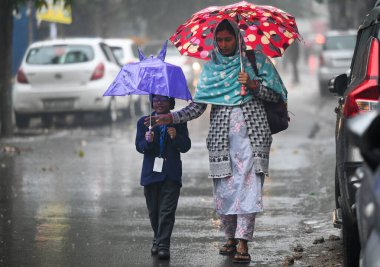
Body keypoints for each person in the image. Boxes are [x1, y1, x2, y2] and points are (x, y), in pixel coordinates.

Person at [146, 19, 287, 264]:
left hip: (253, 138)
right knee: (225, 190)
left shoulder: (257, 61)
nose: (223, 44)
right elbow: (198, 106)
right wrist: (173, 117)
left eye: (228, 39)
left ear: (237, 38)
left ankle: (243, 242)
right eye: (219, 40)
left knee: (249, 187)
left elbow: (276, 93)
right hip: (221, 141)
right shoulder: (211, 69)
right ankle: (230, 236)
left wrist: (253, 85)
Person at [135, 94, 191, 260]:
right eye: (156, 100)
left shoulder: (178, 121)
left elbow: (185, 146)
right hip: (151, 174)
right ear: (151, 102)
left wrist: (176, 137)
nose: (159, 103)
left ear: (170, 102)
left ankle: (163, 244)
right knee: (154, 211)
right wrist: (148, 141)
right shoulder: (145, 122)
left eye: (163, 100)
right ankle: (157, 238)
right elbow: (139, 146)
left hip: (171, 173)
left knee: (167, 211)